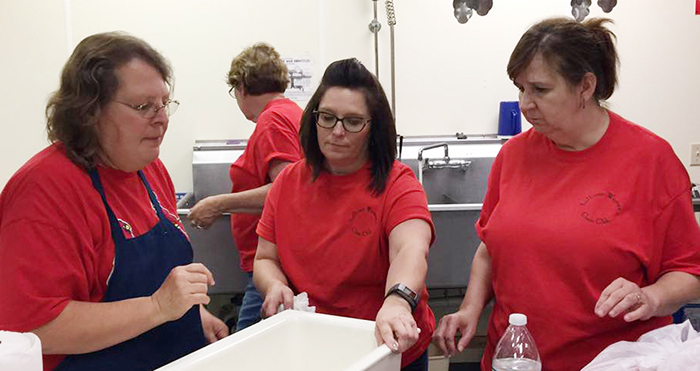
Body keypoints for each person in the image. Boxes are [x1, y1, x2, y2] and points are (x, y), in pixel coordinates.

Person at [433, 17, 700, 371]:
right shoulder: (514, 155)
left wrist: (651, 297)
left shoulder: (650, 161)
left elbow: (690, 274)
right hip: (515, 360)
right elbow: (490, 247)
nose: (525, 104)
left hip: (612, 362)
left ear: (585, 86)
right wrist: (469, 308)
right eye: (520, 88)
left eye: (540, 90)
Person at [0, 32, 228, 371]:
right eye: (143, 106)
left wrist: (193, 312)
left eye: (164, 103)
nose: (161, 118)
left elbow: (163, 281)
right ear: (89, 112)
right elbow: (33, 325)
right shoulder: (45, 190)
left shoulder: (149, 168)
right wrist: (158, 308)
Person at [253, 58, 436, 371]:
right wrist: (274, 286)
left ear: (373, 128)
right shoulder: (288, 182)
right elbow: (265, 258)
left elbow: (410, 249)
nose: (337, 131)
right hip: (315, 344)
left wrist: (397, 300)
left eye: (352, 121)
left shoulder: (397, 182)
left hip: (384, 347)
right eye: (327, 117)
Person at [187, 43, 303, 331]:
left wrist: (218, 203)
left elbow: (285, 190)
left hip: (272, 262)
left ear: (241, 87)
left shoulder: (272, 120)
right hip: (282, 259)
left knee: (249, 349)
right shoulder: (290, 113)